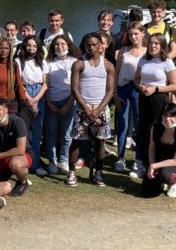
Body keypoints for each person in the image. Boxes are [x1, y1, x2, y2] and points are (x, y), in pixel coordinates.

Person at [69, 33, 115, 187]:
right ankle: (71, 173)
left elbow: (110, 91)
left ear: (101, 45)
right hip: (82, 109)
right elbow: (74, 89)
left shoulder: (108, 65)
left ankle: (98, 173)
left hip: (100, 109)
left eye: (95, 44)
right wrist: (87, 109)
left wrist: (98, 109)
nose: (92, 47)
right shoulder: (78, 64)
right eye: (88, 44)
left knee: (99, 142)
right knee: (76, 140)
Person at [134, 34, 176, 180]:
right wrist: (141, 87)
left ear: (162, 46)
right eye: (151, 43)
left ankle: (161, 167)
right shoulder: (143, 59)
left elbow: (175, 85)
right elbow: (136, 78)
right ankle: (146, 166)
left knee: (158, 131)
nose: (153, 46)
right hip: (144, 98)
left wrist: (156, 89)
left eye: (156, 44)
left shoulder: (167, 62)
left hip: (159, 99)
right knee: (144, 132)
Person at [0, 97, 32, 196]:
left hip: (20, 155)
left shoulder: (17, 122)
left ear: (6, 110)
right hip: (0, 154)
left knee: (16, 164)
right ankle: (3, 174)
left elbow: (20, 150)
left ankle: (23, 182)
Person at [43, 36, 80, 176]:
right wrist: (48, 102)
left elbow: (77, 86)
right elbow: (45, 84)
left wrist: (69, 103)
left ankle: (64, 160)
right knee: (51, 133)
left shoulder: (74, 62)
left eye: (62, 44)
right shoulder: (48, 63)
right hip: (51, 101)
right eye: (57, 44)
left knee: (67, 134)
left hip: (69, 101)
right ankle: (52, 161)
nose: (59, 46)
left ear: (68, 46)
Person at [113, 22, 146, 174]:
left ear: (142, 33)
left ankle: (138, 160)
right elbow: (116, 73)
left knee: (139, 125)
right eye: (131, 34)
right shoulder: (123, 51)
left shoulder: (148, 52)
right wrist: (115, 94)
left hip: (139, 90)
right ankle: (121, 157)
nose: (133, 37)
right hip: (123, 89)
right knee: (122, 124)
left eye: (136, 34)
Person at [15, 35, 48, 175]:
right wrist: (30, 100)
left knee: (37, 132)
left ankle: (35, 163)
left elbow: (45, 84)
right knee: (25, 131)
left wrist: (36, 100)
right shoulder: (18, 61)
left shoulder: (42, 62)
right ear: (24, 46)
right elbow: (19, 84)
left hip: (39, 94)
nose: (32, 48)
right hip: (25, 93)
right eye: (29, 45)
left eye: (35, 46)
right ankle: (26, 162)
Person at [146, 103, 176, 198]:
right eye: (165, 115)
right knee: (147, 192)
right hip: (159, 161)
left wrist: (155, 165)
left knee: (165, 174)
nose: (167, 119)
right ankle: (161, 181)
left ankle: (173, 183)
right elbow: (152, 147)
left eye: (172, 116)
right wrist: (152, 165)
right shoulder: (155, 127)